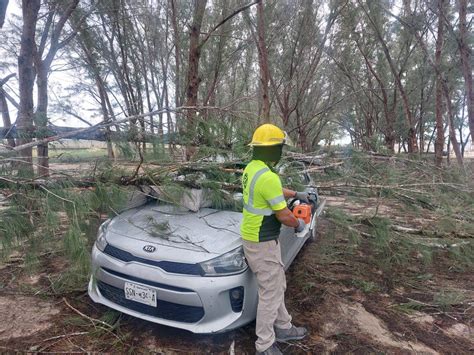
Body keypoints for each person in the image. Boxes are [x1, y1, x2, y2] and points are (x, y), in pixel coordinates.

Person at [241, 123, 309, 355]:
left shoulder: (253, 168)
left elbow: (274, 189)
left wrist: (297, 194)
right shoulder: (267, 177)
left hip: (253, 237)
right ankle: (265, 344)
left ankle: (284, 326)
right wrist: (300, 223)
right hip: (262, 242)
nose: (281, 151)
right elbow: (284, 215)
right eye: (280, 147)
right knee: (270, 292)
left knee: (276, 285)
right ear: (273, 149)